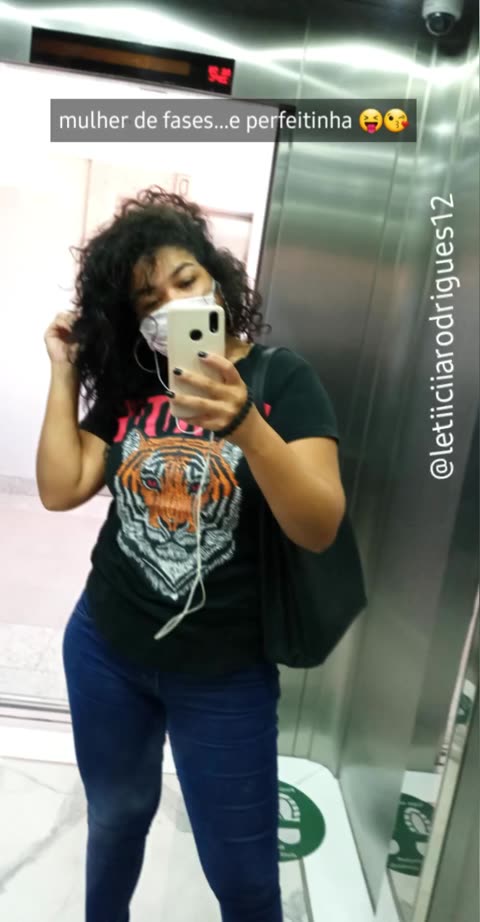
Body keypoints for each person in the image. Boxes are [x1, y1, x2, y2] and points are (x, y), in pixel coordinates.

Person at [36, 186, 346, 922]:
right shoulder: (136, 385)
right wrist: (64, 369)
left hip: (225, 673)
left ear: (216, 277)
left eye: (186, 280)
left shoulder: (282, 379)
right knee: (115, 819)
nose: (174, 305)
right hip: (106, 648)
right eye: (150, 300)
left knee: (244, 879)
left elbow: (319, 525)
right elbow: (61, 486)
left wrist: (245, 425)